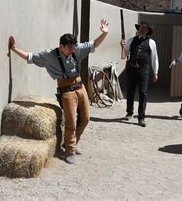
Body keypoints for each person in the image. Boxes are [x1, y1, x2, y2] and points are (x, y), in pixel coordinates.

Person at [8, 19, 109, 164]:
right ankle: (70, 150)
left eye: (74, 47)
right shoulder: (50, 55)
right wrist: (14, 49)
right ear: (61, 46)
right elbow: (30, 57)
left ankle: (72, 143)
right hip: (66, 89)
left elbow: (94, 44)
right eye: (69, 48)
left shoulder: (76, 49)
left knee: (86, 118)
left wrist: (104, 33)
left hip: (80, 86)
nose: (73, 50)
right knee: (71, 121)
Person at [121, 21, 159, 127]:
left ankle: (141, 117)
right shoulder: (131, 40)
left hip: (143, 70)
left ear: (147, 31)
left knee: (143, 93)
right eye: (141, 28)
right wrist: (122, 47)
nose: (142, 30)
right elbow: (125, 54)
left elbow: (154, 58)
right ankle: (129, 113)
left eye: (144, 28)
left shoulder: (151, 42)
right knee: (130, 91)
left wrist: (155, 72)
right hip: (131, 69)